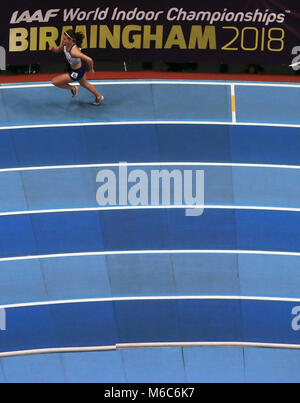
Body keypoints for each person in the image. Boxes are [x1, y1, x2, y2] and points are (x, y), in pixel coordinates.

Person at [50, 30, 104, 106]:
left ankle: (73, 88)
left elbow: (89, 60)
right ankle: (99, 96)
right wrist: (53, 49)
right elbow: (58, 50)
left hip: (77, 72)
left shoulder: (74, 52)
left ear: (70, 40)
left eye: (65, 39)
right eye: (63, 38)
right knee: (84, 84)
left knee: (55, 81)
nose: (63, 40)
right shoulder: (64, 45)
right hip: (79, 66)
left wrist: (91, 69)